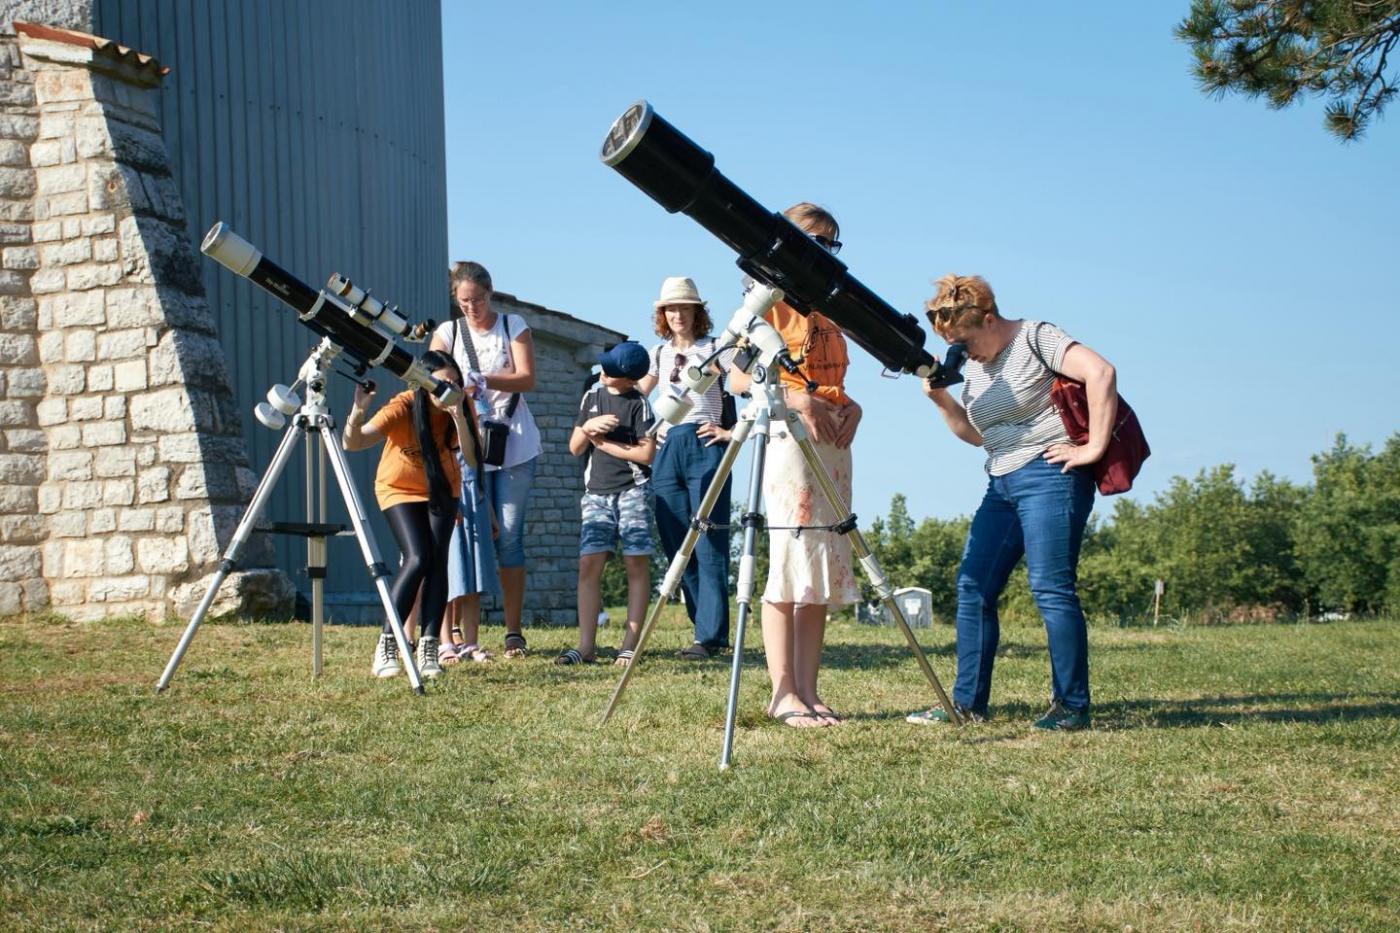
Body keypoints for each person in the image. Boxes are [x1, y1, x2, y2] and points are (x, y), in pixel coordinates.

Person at [908, 274, 1117, 731]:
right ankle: (966, 704)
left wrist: (1092, 448)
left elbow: (1101, 373)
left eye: (965, 341)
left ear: (988, 318)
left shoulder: (1036, 336)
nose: (963, 353)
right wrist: (942, 400)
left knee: (1049, 587)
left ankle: (1071, 706)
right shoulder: (975, 364)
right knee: (972, 586)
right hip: (1001, 480)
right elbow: (979, 436)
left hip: (1051, 475)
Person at [729, 202, 862, 728]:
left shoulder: (832, 306)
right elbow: (738, 379)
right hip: (786, 436)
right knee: (789, 560)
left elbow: (834, 378)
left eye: (831, 244)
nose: (824, 253)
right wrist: (797, 398)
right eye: (815, 242)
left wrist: (852, 405)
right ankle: (782, 692)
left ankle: (809, 689)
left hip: (833, 442)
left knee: (821, 568)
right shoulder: (766, 303)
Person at [342, 350, 476, 680]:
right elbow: (353, 443)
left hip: (443, 489)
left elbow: (474, 458)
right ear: (423, 383)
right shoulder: (403, 404)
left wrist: (458, 414)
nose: (450, 389)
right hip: (398, 488)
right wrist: (358, 411)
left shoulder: (460, 404)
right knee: (417, 557)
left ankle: (430, 647)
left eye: (455, 382)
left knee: (437, 562)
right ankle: (389, 641)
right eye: (443, 384)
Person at [431, 262, 540, 659]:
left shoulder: (514, 325)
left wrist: (483, 379)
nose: (472, 309)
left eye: (477, 300)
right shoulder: (447, 333)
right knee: (462, 537)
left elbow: (527, 377)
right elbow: (432, 378)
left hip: (514, 443)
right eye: (463, 302)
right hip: (464, 445)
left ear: (490, 292)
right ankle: (454, 631)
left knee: (509, 536)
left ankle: (513, 632)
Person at [635, 276, 734, 660]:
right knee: (675, 536)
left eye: (684, 307)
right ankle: (701, 627)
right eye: (670, 308)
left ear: (697, 311)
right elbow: (637, 390)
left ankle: (710, 636)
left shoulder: (716, 349)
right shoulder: (658, 353)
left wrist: (730, 431)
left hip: (705, 442)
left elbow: (745, 385)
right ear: (662, 314)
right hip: (667, 445)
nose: (677, 314)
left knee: (708, 538)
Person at [563, 341, 656, 666]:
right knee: (589, 564)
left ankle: (629, 645)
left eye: (611, 369)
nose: (603, 371)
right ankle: (586, 646)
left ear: (628, 378)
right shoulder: (592, 396)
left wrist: (605, 444)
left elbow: (646, 455)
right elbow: (575, 448)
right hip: (596, 493)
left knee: (635, 564)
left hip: (633, 491)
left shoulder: (640, 405)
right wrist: (588, 429)